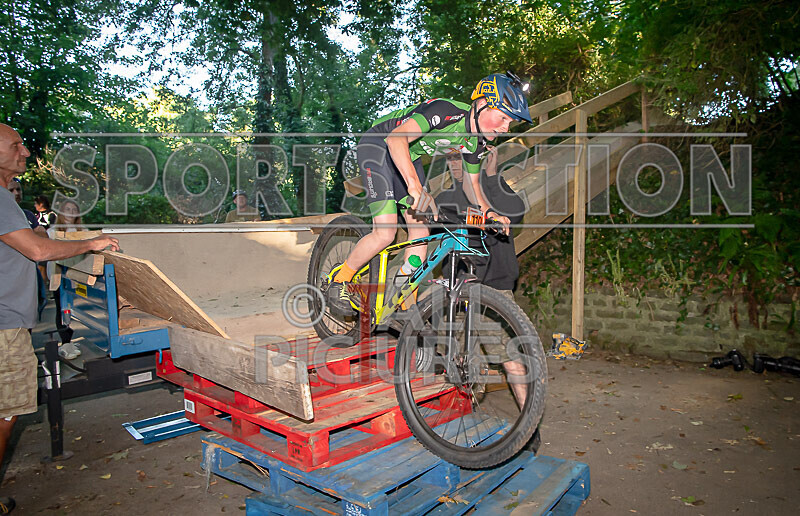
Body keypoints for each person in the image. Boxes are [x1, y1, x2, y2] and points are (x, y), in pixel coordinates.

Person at [327, 72, 533, 315]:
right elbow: (396, 140)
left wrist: (489, 213)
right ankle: (339, 279)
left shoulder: (475, 143)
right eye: (503, 118)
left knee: (421, 233)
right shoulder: (446, 111)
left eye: (510, 123)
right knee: (385, 232)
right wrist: (414, 186)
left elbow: (472, 184)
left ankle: (405, 298)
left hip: (407, 159)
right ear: (481, 105)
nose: (505, 127)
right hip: (379, 146)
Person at [0, 123, 119, 514]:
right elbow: (36, 250)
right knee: (5, 412)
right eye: (16, 145)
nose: (25, 152)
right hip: (3, 327)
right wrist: (92, 243)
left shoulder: (6, 198)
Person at [47, 199, 87, 359]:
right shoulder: (52, 232)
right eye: (67, 209)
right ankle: (65, 341)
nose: (70, 213)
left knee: (76, 306)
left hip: (77, 276)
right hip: (60, 276)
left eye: (74, 210)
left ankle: (73, 337)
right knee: (62, 307)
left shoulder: (82, 230)